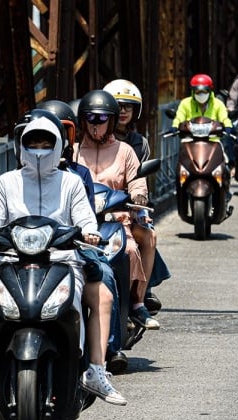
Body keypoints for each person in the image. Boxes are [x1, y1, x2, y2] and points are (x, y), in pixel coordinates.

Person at [0, 111, 127, 408]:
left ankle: (96, 370)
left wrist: (90, 233)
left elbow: (84, 218)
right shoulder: (7, 182)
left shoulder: (71, 183)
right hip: (12, 259)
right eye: (33, 142)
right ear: (21, 146)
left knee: (102, 295)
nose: (39, 148)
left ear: (57, 146)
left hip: (63, 259)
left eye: (45, 142)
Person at [36, 99, 129, 373]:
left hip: (70, 246)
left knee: (105, 275)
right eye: (38, 138)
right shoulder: (15, 177)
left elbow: (87, 214)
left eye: (58, 134)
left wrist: (87, 233)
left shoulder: (78, 175)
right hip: (29, 247)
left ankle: (109, 350)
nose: (45, 145)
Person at [73, 89, 160, 331]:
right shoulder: (73, 151)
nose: (96, 124)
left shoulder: (125, 151)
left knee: (131, 248)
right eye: (91, 118)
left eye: (102, 119)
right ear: (82, 120)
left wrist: (139, 195)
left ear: (111, 121)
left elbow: (137, 180)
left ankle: (136, 303)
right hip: (80, 222)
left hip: (116, 220)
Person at [102, 79, 171, 317]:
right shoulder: (92, 141)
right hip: (99, 205)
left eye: (128, 107)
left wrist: (139, 197)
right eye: (118, 106)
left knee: (148, 234)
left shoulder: (138, 144)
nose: (123, 111)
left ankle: (142, 292)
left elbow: (138, 177)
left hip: (126, 204)